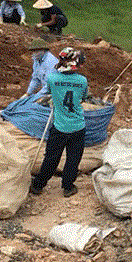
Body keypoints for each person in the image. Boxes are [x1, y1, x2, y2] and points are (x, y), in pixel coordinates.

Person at [29, 47, 88, 198]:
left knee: (51, 158)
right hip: (77, 126)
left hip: (59, 126)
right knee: (73, 159)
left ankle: (38, 185)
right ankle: (68, 187)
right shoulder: (82, 81)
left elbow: (48, 92)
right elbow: (84, 96)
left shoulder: (52, 79)